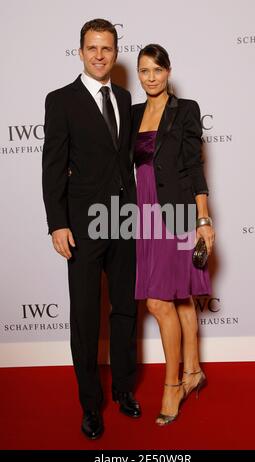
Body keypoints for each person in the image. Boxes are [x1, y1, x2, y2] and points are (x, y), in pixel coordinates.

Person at [42, 19, 141, 440]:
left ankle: (122, 388)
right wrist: (58, 223)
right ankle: (90, 405)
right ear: (80, 52)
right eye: (92, 48)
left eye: (107, 48)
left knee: (124, 309)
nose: (100, 55)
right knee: (85, 318)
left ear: (115, 52)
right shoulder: (60, 100)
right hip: (82, 225)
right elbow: (51, 167)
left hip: (124, 219)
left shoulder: (122, 95)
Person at [131, 44, 215, 426]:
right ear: (138, 73)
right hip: (143, 211)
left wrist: (203, 220)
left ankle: (172, 385)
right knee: (177, 299)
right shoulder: (132, 114)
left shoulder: (186, 110)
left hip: (177, 211)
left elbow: (194, 168)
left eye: (157, 70)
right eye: (144, 71)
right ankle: (194, 371)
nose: (151, 77)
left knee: (159, 301)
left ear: (168, 71)